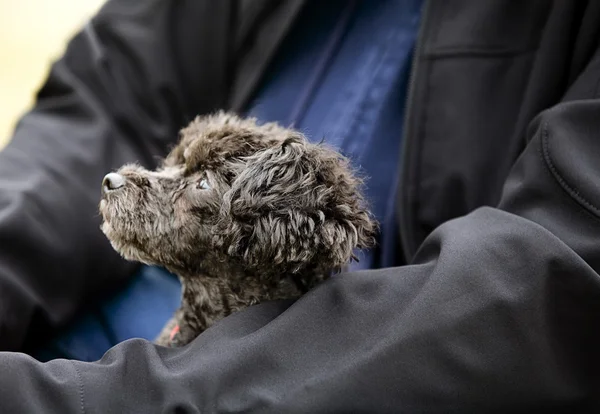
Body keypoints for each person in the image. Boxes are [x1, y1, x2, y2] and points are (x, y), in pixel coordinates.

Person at [0, 0, 599, 411]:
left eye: (196, 182)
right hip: (120, 328)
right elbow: (110, 96)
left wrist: (101, 399)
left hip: (345, 368)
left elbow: (545, 285)